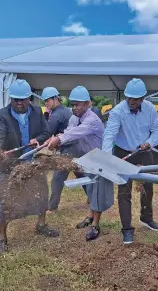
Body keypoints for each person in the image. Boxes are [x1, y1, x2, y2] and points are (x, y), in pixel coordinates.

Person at [0, 79, 58, 254]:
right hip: (8, 163)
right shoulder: (1, 115)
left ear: (29, 99)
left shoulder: (37, 112)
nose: (19, 103)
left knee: (42, 191)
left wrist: (38, 140)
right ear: (11, 99)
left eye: (23, 99)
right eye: (15, 99)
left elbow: (46, 132)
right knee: (4, 199)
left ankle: (41, 224)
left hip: (31, 161)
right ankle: (2, 237)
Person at [48, 86, 113, 241]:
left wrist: (59, 139)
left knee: (97, 191)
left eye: (78, 104)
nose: (74, 107)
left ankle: (95, 226)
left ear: (87, 104)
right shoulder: (74, 117)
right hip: (87, 158)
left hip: (99, 159)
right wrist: (58, 139)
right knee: (91, 189)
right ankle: (90, 216)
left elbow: (76, 132)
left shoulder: (92, 120)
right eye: (73, 104)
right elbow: (69, 132)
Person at [102, 78, 158, 244]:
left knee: (148, 187)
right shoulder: (117, 111)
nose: (130, 101)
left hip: (144, 150)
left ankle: (146, 218)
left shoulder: (150, 109)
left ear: (143, 98)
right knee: (124, 191)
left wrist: (149, 142)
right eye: (128, 98)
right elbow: (109, 135)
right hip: (123, 151)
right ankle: (127, 228)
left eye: (134, 99)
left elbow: (157, 131)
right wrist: (107, 157)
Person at [40, 87, 72, 213]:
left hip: (68, 149)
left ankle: (52, 207)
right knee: (81, 173)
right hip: (74, 146)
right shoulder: (66, 111)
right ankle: (92, 198)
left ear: (55, 99)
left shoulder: (57, 114)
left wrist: (40, 141)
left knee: (57, 178)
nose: (46, 104)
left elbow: (48, 132)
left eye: (47, 101)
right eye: (44, 102)